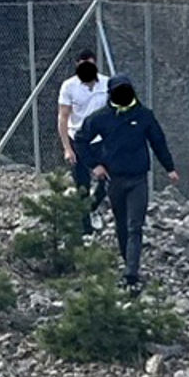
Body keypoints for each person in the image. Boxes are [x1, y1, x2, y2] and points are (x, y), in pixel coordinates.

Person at [75, 75, 178, 292]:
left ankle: (131, 273)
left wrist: (169, 168)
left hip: (138, 179)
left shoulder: (143, 116)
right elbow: (80, 140)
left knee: (135, 226)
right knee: (122, 225)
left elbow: (158, 141)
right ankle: (127, 263)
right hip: (114, 180)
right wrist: (95, 165)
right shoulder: (101, 118)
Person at [57, 49, 109, 233]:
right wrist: (67, 148)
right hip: (77, 139)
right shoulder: (69, 87)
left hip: (100, 140)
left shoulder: (106, 83)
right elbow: (63, 117)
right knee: (82, 185)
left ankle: (93, 208)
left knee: (107, 180)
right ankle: (85, 229)